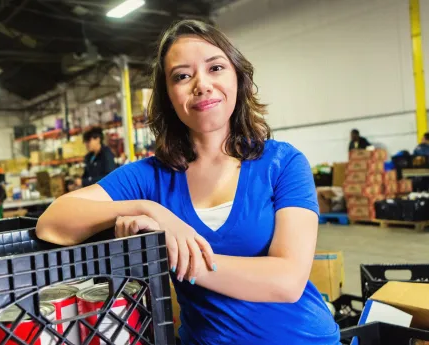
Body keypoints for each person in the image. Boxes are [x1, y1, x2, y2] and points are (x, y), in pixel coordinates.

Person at [36, 20, 338, 345]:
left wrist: (171, 251)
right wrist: (149, 209)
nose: (202, 85)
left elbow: (287, 282)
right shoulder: (150, 178)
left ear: (237, 76)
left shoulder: (282, 163)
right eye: (182, 76)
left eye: (216, 68)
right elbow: (51, 223)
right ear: (168, 95)